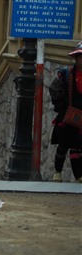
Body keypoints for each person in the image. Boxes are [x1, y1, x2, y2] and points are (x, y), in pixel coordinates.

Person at [49, 42, 82, 182]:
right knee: (63, 145)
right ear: (76, 58)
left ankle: (79, 175)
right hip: (67, 116)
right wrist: (62, 105)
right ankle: (57, 172)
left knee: (78, 147)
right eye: (80, 56)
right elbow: (54, 89)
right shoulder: (65, 74)